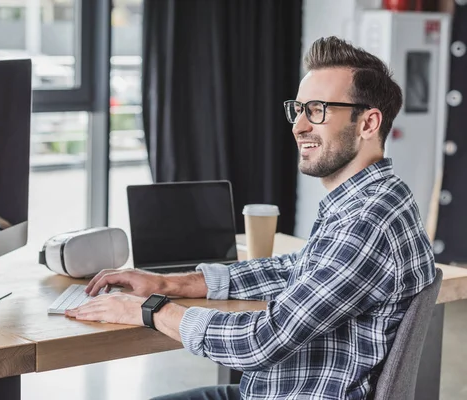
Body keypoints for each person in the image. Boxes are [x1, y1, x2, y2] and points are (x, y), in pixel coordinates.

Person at [65, 36, 436, 400]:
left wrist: (148, 310)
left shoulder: (368, 221)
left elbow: (262, 341)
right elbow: (297, 269)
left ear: (369, 124)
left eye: (317, 110)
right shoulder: (379, 197)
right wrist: (172, 285)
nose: (298, 127)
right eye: (299, 109)